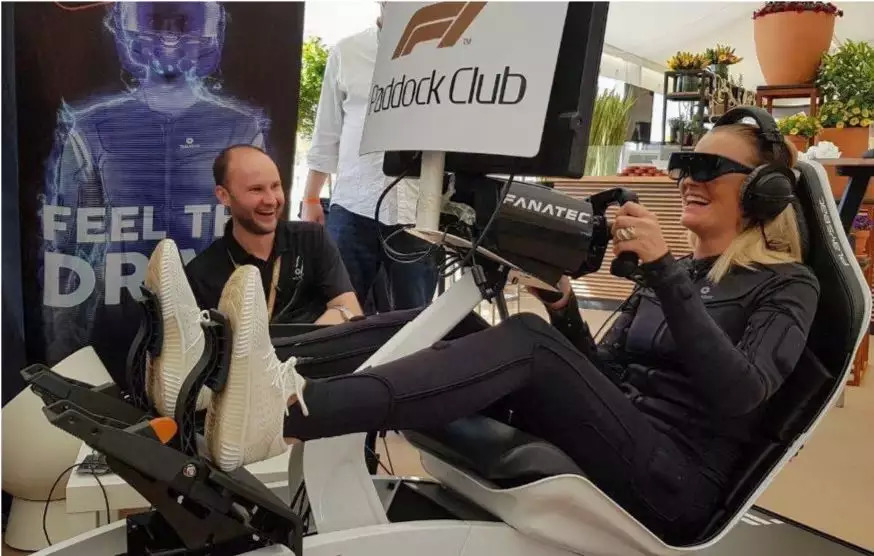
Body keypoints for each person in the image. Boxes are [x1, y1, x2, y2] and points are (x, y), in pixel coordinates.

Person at [154, 115, 820, 544]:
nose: (688, 178)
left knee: (527, 341)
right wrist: (564, 306)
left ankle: (284, 416)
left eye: (708, 169)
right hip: (625, 439)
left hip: (676, 483)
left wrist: (665, 272)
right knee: (459, 323)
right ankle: (227, 362)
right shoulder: (677, 276)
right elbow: (608, 378)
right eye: (686, 164)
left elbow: (742, 392)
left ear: (763, 192)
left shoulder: (788, 284)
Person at [41, 2, 268, 366]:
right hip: (119, 310)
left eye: (181, 23)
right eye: (158, 22)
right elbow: (70, 244)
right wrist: (64, 345)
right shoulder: (92, 128)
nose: (169, 37)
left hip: (208, 309)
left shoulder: (238, 128)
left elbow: (256, 234)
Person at [144, 145, 361, 417]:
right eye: (256, 190)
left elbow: (350, 311)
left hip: (317, 387)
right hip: (247, 406)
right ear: (224, 196)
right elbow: (209, 368)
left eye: (275, 186)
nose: (271, 200)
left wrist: (284, 355)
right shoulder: (202, 273)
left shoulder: (312, 239)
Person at [301, 4, 438, 313]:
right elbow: (327, 132)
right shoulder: (347, 52)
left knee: (412, 321)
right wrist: (311, 197)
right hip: (353, 206)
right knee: (339, 311)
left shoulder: (444, 54)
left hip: (418, 212)